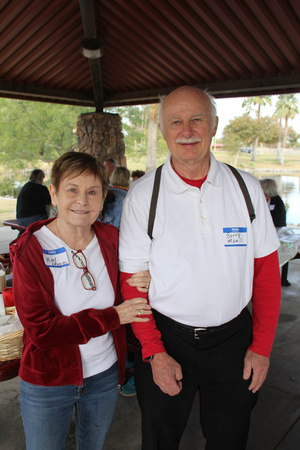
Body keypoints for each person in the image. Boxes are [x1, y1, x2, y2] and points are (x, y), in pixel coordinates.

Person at [118, 86, 281, 450]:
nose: (186, 130)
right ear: (163, 129)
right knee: (159, 438)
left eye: (197, 119)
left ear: (215, 125)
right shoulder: (144, 195)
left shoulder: (246, 189)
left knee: (230, 438)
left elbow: (267, 276)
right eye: (175, 121)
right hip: (166, 337)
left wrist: (262, 346)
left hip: (233, 341)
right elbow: (133, 285)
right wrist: (154, 352)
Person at [10, 151, 152, 450]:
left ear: (104, 197)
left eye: (92, 192)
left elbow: (134, 282)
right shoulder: (30, 250)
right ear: (54, 193)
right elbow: (41, 331)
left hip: (103, 375)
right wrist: (114, 316)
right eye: (72, 190)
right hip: (48, 381)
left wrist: (149, 278)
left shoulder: (112, 238)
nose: (82, 201)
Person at [260, 178, 290, 286]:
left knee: (283, 250)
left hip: (276, 231)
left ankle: (283, 279)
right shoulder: (258, 199)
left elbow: (279, 221)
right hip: (262, 231)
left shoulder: (277, 201)